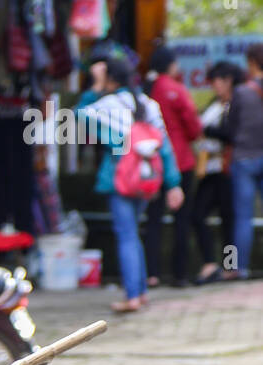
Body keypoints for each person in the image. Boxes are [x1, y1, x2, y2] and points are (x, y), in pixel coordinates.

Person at [77, 56, 182, 313]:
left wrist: (95, 86)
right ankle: (141, 292)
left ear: (111, 78)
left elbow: (78, 117)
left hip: (121, 180)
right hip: (146, 180)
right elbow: (165, 147)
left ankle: (133, 295)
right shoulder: (149, 105)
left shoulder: (107, 104)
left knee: (126, 236)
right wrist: (173, 183)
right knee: (133, 233)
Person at [143, 45, 203, 287]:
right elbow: (194, 128)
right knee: (181, 218)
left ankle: (152, 274)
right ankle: (180, 275)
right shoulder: (176, 89)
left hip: (152, 162)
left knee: (153, 219)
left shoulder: (146, 91)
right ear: (170, 65)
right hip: (180, 163)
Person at [192, 61, 241, 285]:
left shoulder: (237, 103)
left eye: (217, 82)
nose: (214, 87)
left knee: (227, 220)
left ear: (228, 81)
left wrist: (208, 130)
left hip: (227, 169)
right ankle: (210, 263)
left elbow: (232, 135)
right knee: (197, 214)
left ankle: (230, 267)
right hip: (208, 168)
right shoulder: (214, 105)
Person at [228, 44, 263, 278]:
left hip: (244, 159)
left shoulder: (241, 92)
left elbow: (230, 127)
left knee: (242, 216)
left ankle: (239, 269)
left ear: (251, 61)